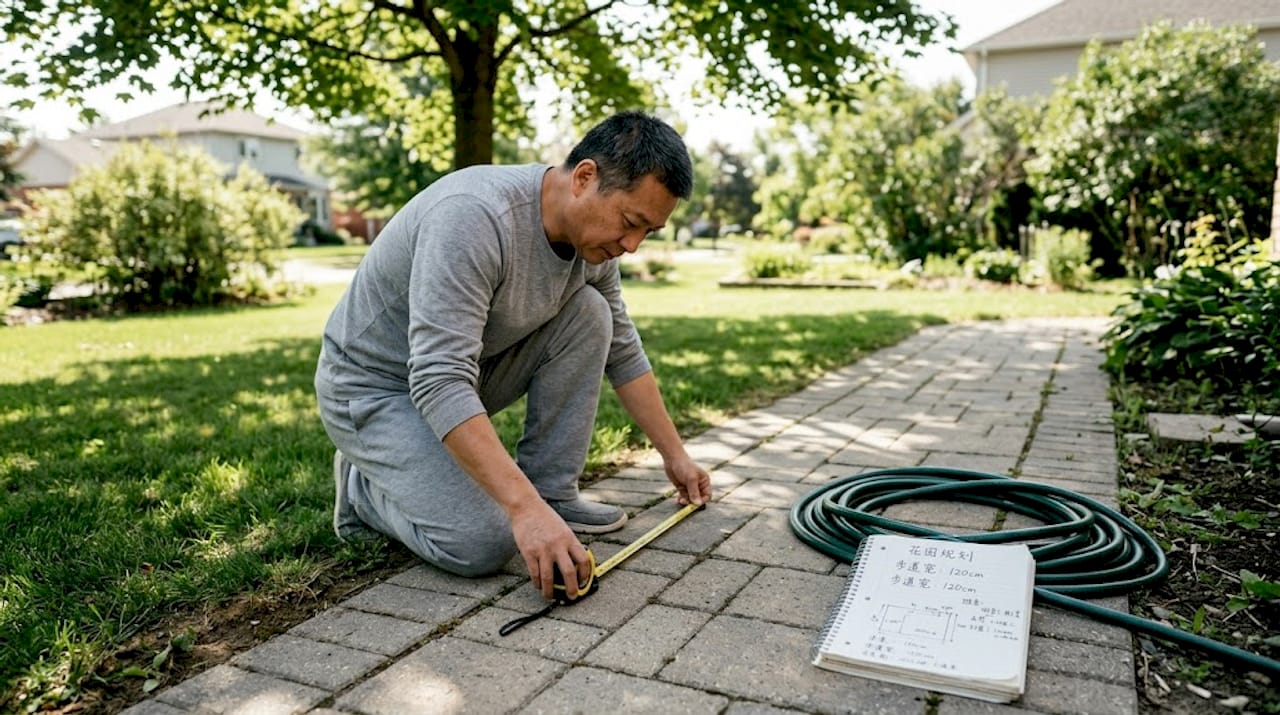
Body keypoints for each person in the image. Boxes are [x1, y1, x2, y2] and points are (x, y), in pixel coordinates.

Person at [314, 111, 712, 602]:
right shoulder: (474, 215)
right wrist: (520, 510)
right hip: (372, 389)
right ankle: (363, 491)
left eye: (647, 233)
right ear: (585, 178)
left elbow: (623, 351)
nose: (631, 245)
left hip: (462, 374)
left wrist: (677, 457)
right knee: (482, 542)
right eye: (631, 222)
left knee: (592, 314)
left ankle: (553, 493)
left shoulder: (594, 248)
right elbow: (438, 379)